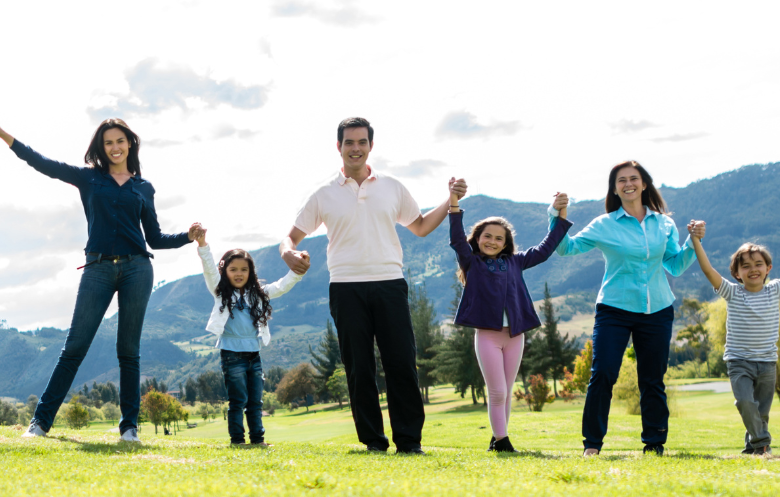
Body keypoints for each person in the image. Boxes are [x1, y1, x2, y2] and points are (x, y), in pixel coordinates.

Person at [0, 115, 203, 442]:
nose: (114, 147)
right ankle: (39, 424)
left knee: (128, 350)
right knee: (74, 347)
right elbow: (43, 163)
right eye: (108, 142)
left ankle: (129, 428)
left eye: (119, 141)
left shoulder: (143, 187)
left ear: (130, 144)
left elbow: (153, 238)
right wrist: (3, 136)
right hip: (97, 268)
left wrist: (187, 235)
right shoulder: (88, 179)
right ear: (101, 148)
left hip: (137, 269)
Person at [283, 117, 452, 455]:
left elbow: (419, 227)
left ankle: (408, 441)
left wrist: (449, 200)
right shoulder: (323, 194)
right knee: (360, 367)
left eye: (361, 142)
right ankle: (374, 441)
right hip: (346, 287)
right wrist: (288, 253)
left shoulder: (392, 187)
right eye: (349, 143)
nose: (355, 148)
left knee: (401, 362)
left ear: (370, 146)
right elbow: (291, 236)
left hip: (390, 283)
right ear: (339, 147)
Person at [556, 157, 692, 455]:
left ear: (644, 183)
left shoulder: (665, 224)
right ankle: (592, 445)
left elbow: (675, 265)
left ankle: (654, 444)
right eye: (621, 181)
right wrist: (558, 214)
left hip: (657, 310)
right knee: (603, 373)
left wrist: (693, 242)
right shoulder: (605, 224)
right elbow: (567, 248)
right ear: (615, 189)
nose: (628, 184)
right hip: (614, 310)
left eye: (633, 178)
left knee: (652, 380)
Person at [688, 219, 780, 455]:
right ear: (737, 274)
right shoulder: (732, 292)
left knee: (762, 413)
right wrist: (696, 240)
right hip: (739, 362)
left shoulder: (776, 289)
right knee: (745, 403)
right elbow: (708, 270)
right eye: (746, 266)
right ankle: (762, 444)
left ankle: (753, 446)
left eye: (758, 264)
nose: (753, 270)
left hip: (768, 364)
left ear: (768, 269)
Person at [445, 179, 572, 453]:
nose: (492, 241)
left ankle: (498, 437)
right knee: (498, 392)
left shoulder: (516, 262)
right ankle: (503, 442)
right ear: (478, 239)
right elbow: (456, 238)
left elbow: (545, 249)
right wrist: (454, 201)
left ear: (506, 244)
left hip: (515, 335)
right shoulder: (472, 262)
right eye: (487, 236)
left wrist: (560, 215)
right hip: (488, 337)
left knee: (507, 392)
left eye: (499, 238)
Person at [197, 243, 309, 446]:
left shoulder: (258, 294)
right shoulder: (221, 292)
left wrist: (297, 270)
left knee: (255, 402)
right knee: (238, 401)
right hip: (231, 356)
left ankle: (258, 440)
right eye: (233, 270)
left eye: (244, 269)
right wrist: (203, 246)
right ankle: (238, 441)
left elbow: (281, 286)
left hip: (254, 356)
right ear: (225, 271)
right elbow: (209, 270)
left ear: (250, 272)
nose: (239, 274)